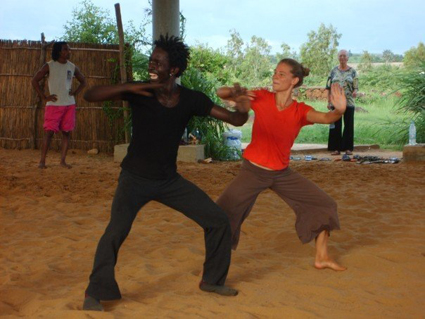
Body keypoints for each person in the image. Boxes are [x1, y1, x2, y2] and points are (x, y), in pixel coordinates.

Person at [82, 35, 250, 311]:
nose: (151, 64)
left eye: (158, 62)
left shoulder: (190, 99)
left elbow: (234, 119)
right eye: (151, 59)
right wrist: (138, 86)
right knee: (116, 231)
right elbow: (90, 96)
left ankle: (212, 280)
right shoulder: (141, 91)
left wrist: (242, 107)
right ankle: (94, 294)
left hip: (168, 181)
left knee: (218, 220)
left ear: (173, 70)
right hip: (134, 179)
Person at [216, 58, 347, 272]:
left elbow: (325, 117)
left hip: (281, 174)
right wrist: (235, 91)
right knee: (224, 212)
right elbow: (221, 93)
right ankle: (214, 265)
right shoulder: (261, 97)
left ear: (294, 80)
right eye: (275, 73)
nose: (275, 77)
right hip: (253, 171)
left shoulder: (299, 111)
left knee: (324, 204)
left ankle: (322, 257)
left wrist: (339, 111)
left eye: (282, 74)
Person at [32, 41, 86, 169]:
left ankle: (62, 161)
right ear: (59, 52)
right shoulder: (49, 66)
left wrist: (75, 93)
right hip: (54, 105)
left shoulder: (72, 67)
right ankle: (42, 161)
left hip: (69, 105)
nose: (69, 51)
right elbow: (34, 80)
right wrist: (44, 97)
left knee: (66, 133)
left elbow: (83, 81)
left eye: (69, 49)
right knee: (49, 133)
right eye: (65, 49)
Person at [327, 49, 358, 156]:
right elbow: (329, 87)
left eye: (344, 56)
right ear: (338, 57)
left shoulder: (353, 72)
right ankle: (336, 148)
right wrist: (329, 101)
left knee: (348, 125)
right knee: (336, 125)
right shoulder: (333, 71)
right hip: (336, 102)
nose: (342, 58)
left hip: (348, 102)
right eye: (340, 56)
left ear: (348, 58)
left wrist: (355, 91)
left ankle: (348, 148)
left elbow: (356, 87)